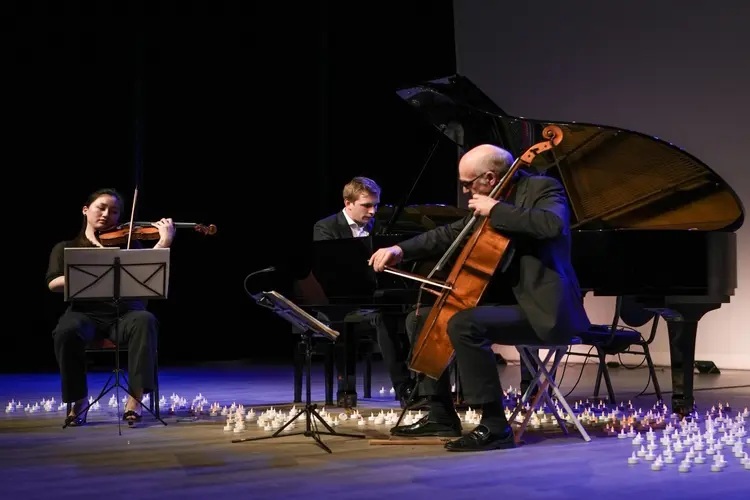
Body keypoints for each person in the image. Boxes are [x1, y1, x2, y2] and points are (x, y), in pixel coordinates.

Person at [368, 144, 591, 452]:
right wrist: (400, 250)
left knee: (464, 324)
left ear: (490, 177)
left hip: (545, 310)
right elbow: (450, 233)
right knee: (419, 319)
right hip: (510, 303)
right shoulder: (494, 199)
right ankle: (441, 414)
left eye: (468, 183)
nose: (465, 190)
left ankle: (495, 425)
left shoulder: (542, 187)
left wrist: (496, 210)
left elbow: (552, 225)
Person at [45, 188, 175, 426]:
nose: (107, 214)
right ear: (86, 210)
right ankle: (79, 400)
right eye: (101, 208)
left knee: (145, 320)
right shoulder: (66, 247)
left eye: (114, 212)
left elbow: (150, 273)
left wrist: (164, 241)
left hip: (126, 314)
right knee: (66, 330)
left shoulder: (130, 244)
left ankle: (135, 399)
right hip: (85, 314)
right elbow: (53, 283)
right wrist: (91, 274)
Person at [312, 177, 414, 406]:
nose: (373, 211)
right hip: (338, 299)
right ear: (348, 202)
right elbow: (327, 270)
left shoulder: (381, 227)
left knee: (389, 317)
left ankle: (404, 387)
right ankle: (346, 389)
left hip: (375, 298)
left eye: (375, 205)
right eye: (366, 205)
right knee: (344, 322)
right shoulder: (325, 227)